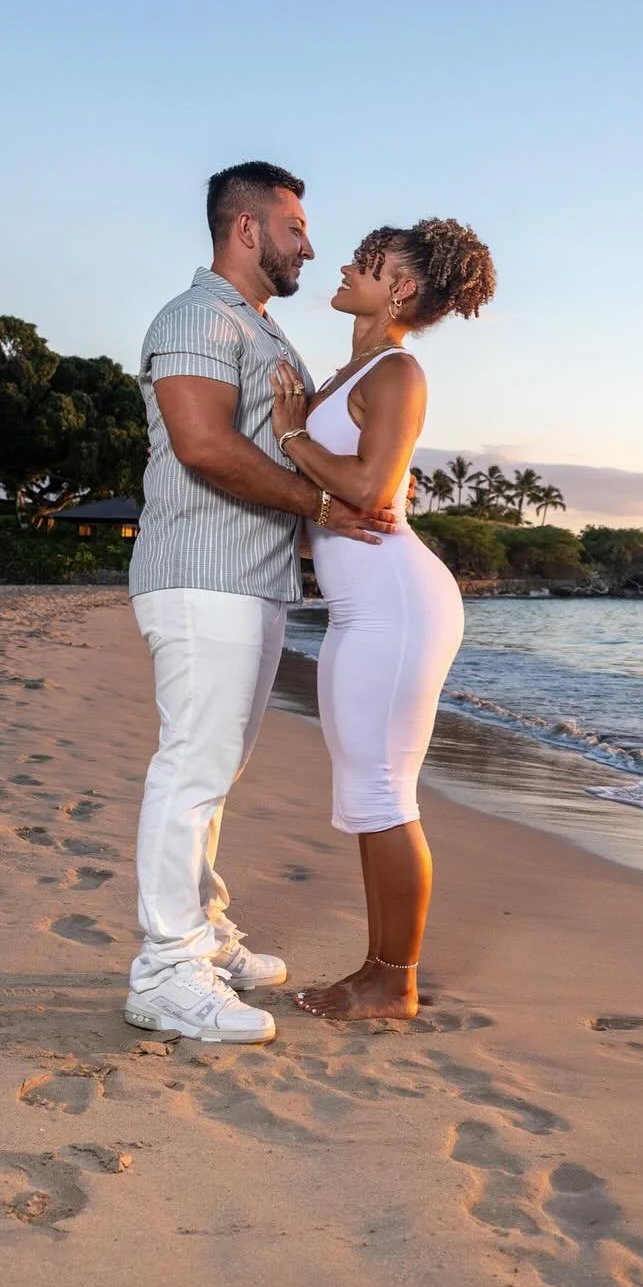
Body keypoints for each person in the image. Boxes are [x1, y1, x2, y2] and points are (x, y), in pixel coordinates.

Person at [123, 162, 395, 1045]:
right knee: (191, 768)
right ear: (246, 229)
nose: (309, 246)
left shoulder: (262, 330)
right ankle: (167, 969)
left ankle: (201, 931)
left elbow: (306, 440)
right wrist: (323, 507)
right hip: (203, 574)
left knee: (216, 773)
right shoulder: (199, 316)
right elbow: (201, 444)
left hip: (250, 579)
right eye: (294, 229)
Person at [269, 218, 496, 1021]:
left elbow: (369, 489)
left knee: (384, 793)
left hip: (396, 608)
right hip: (362, 608)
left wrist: (292, 431)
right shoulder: (351, 370)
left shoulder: (399, 372)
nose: (346, 266)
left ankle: (392, 981)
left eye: (367, 262)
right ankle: (376, 970)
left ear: (399, 286)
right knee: (367, 792)